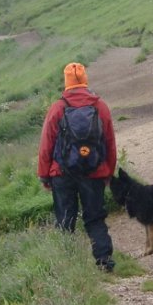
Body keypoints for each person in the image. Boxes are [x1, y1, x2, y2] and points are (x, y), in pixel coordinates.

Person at [38, 62, 117, 271]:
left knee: (65, 218)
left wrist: (44, 175)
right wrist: (108, 171)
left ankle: (67, 265)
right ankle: (104, 260)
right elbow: (109, 142)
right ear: (85, 80)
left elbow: (46, 144)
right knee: (95, 218)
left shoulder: (58, 108)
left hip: (62, 173)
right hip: (94, 172)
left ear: (67, 83)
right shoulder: (100, 106)